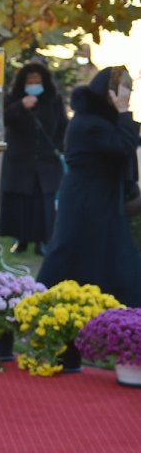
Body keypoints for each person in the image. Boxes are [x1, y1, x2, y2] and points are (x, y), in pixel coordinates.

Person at [39, 67, 141, 306]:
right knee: (68, 255)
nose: (128, 96)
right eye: (124, 90)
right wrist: (125, 111)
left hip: (102, 199)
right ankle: (40, 305)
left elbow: (128, 139)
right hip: (85, 199)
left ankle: (120, 312)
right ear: (110, 93)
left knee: (115, 259)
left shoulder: (105, 121)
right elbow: (122, 146)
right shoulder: (88, 123)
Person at [0, 62, 67, 255]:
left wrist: (60, 146)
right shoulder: (13, 99)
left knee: (43, 204)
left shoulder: (54, 100)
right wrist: (21, 105)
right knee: (21, 203)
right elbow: (3, 118)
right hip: (20, 163)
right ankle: (21, 240)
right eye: (30, 80)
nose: (34, 83)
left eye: (37, 80)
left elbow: (62, 125)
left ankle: (42, 241)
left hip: (45, 162)